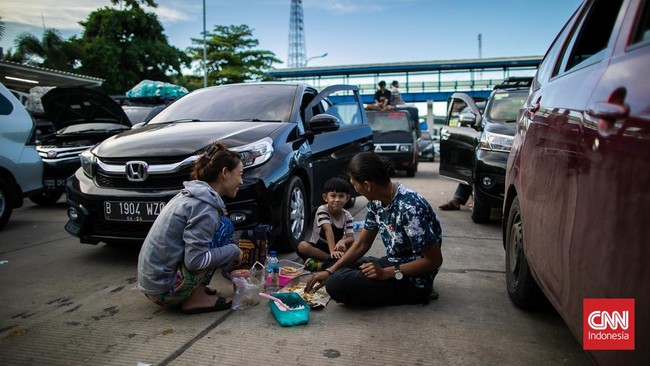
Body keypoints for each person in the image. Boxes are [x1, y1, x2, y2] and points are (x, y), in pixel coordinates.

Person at [305, 152, 443, 306]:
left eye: (354, 183)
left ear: (367, 185)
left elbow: (434, 260)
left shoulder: (409, 208)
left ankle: (419, 293)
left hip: (413, 279)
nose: (354, 188)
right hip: (392, 262)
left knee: (335, 284)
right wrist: (330, 271)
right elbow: (363, 243)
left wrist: (385, 273)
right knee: (333, 263)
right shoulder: (376, 200)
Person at [137, 141, 244, 314]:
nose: (241, 181)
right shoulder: (204, 207)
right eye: (239, 174)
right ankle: (196, 299)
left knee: (221, 225)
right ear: (225, 173)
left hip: (153, 285)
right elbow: (195, 261)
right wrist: (233, 251)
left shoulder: (192, 195)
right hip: (163, 291)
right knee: (225, 227)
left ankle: (195, 290)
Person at [297, 177, 355, 271]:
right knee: (302, 246)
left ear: (347, 198)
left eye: (341, 196)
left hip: (335, 249)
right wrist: (332, 253)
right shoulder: (322, 210)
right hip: (318, 249)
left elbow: (351, 237)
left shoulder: (346, 215)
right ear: (325, 197)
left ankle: (321, 263)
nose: (337, 200)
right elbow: (328, 229)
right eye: (333, 196)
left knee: (354, 245)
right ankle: (332, 261)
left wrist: (342, 241)